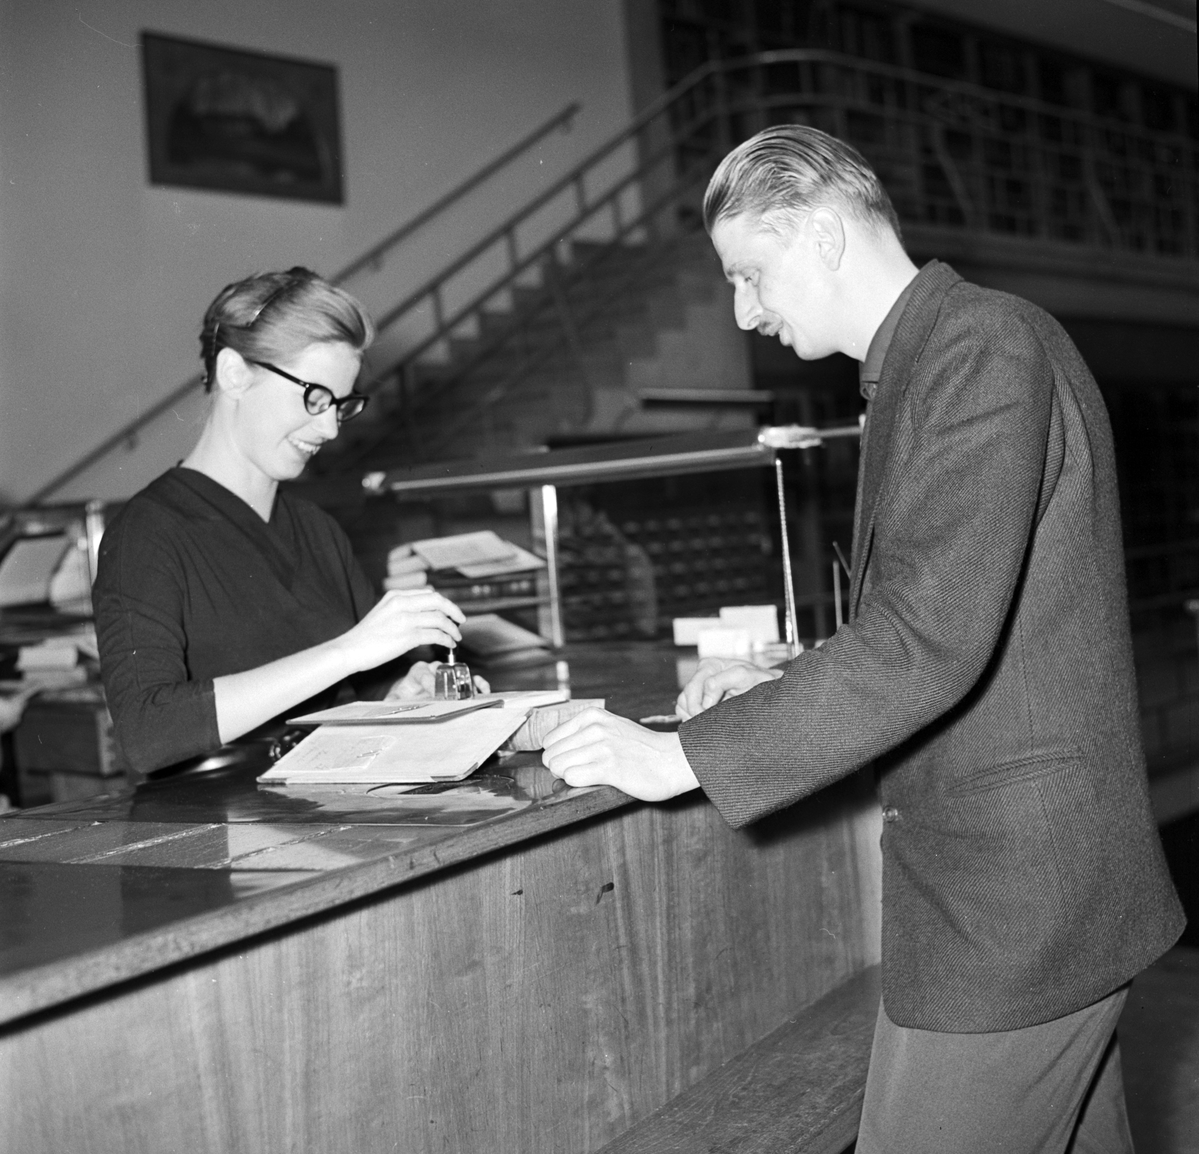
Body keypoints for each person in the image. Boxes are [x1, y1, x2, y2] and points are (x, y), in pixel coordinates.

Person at [541, 127, 1184, 1151]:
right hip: (1031, 893)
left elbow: (929, 638)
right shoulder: (932, 356)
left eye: (749, 275)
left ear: (823, 235)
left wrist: (676, 757)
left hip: (1012, 908)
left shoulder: (977, 347)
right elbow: (976, 609)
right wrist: (785, 676)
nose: (745, 312)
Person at [94, 267, 470, 776]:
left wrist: (399, 694)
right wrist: (347, 652)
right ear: (234, 373)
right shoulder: (147, 533)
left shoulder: (317, 529)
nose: (330, 427)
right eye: (315, 397)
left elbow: (362, 684)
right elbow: (147, 732)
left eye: (341, 405)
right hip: (215, 837)